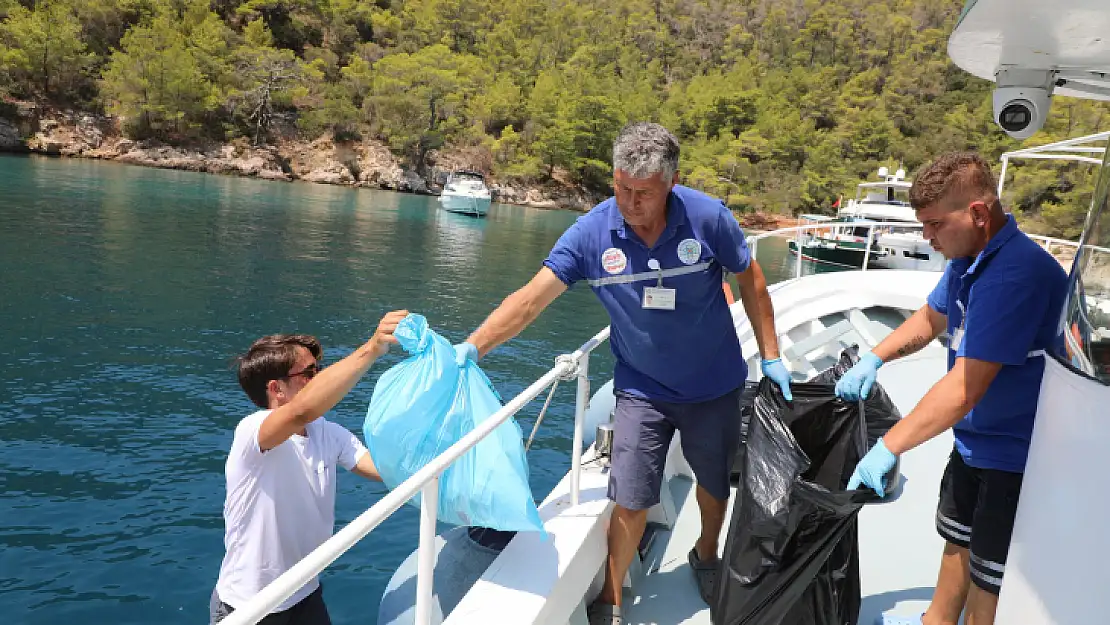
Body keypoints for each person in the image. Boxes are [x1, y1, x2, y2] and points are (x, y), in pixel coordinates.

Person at [452, 122, 791, 625]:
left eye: (645, 193)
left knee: (715, 483)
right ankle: (611, 598)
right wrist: (472, 347)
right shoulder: (591, 234)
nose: (631, 203)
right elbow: (528, 302)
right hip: (641, 388)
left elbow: (751, 278)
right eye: (622, 188)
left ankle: (706, 552)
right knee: (629, 497)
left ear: (671, 184)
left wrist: (771, 355)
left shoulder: (707, 218)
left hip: (714, 384)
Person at [835, 153, 1067, 625]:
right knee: (956, 543)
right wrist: (876, 357)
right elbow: (930, 318)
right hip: (974, 443)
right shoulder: (969, 259)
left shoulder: (1013, 274)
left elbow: (965, 388)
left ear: (978, 214)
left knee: (989, 580)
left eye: (935, 225)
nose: (928, 238)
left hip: (1016, 456)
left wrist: (889, 446)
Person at [210, 310, 409, 625]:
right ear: (277, 389)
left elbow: (379, 468)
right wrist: (371, 348)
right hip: (249, 607)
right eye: (310, 372)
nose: (320, 378)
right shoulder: (253, 430)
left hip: (304, 592)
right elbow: (300, 411)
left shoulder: (326, 431)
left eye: (320, 369)